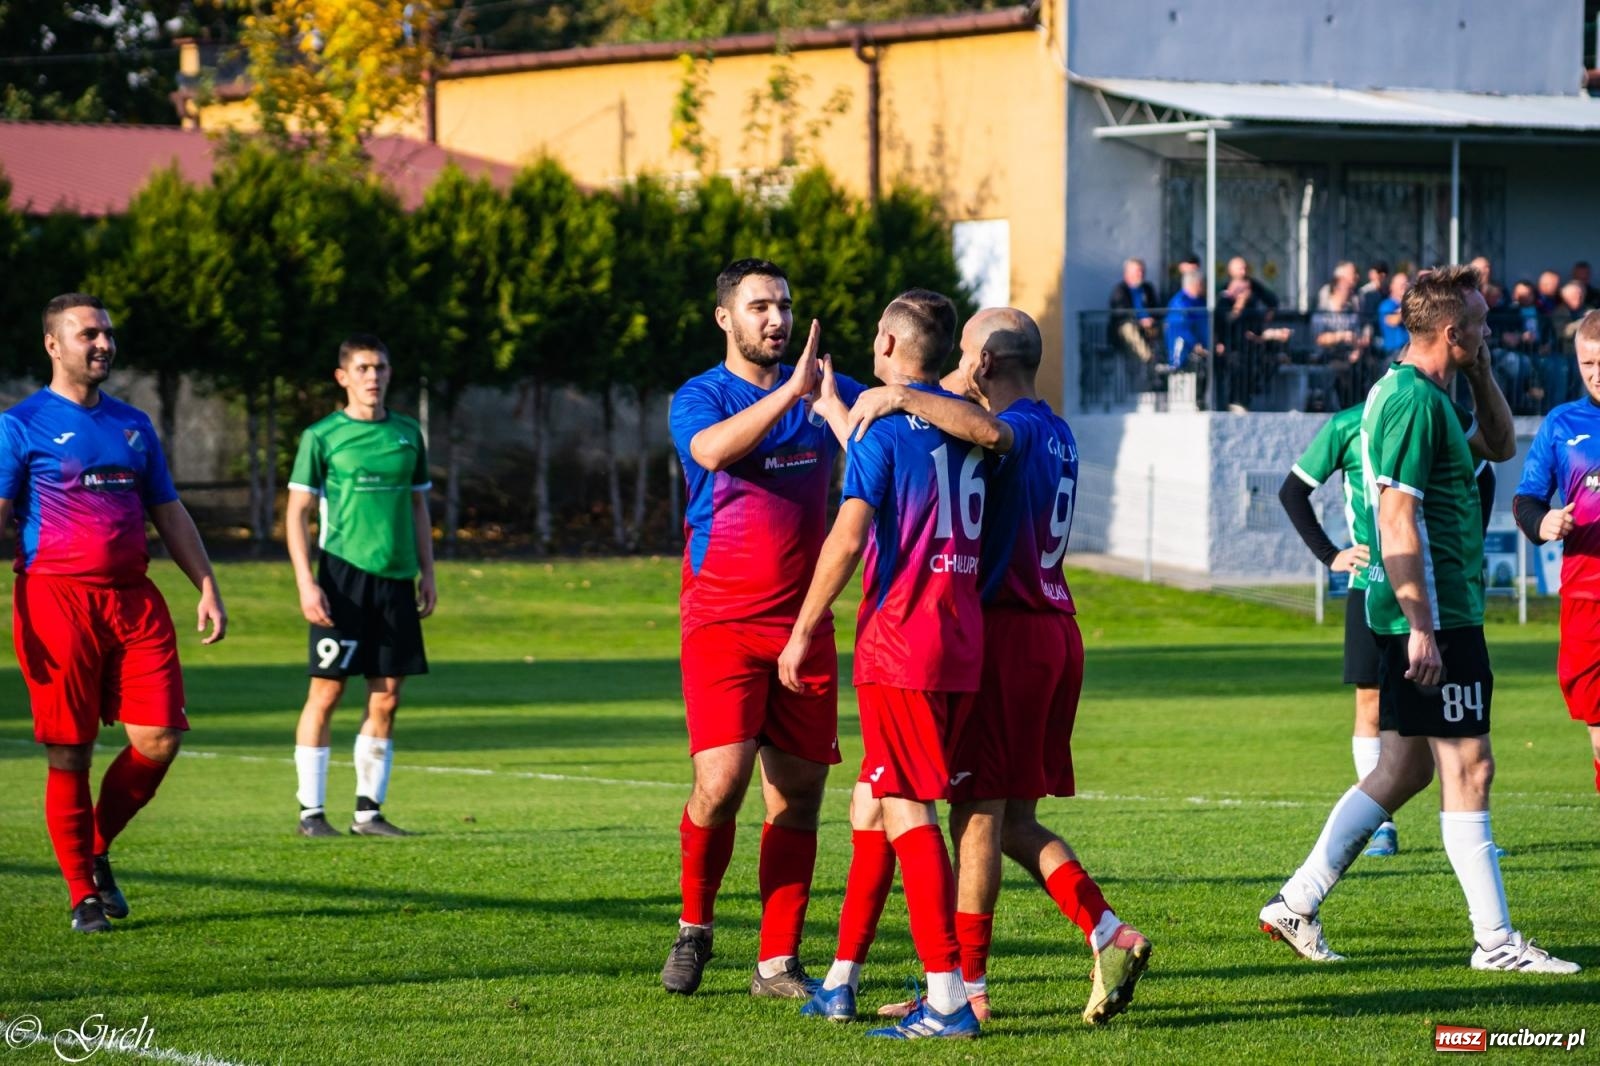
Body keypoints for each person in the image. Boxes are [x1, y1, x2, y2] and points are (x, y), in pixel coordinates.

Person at [826, 307, 1151, 1027]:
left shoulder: (1016, 430)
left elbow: (984, 433)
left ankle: (993, 978)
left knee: (976, 820)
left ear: (988, 363)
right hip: (1054, 631)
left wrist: (906, 395)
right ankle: (987, 974)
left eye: (966, 356)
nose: (955, 371)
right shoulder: (1058, 429)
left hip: (1007, 635)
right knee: (1006, 824)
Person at [1258, 265, 1580, 974]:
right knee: (1471, 766)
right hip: (1435, 615)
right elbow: (1396, 517)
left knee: (1403, 768)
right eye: (1481, 324)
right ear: (1450, 331)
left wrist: (1483, 369)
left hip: (1434, 610)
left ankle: (1295, 902)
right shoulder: (1407, 401)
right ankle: (1496, 943)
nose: (1491, 330)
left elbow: (1498, 444)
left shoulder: (1435, 394)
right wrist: (1421, 627)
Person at [778, 289, 985, 1039]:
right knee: (870, 802)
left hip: (901, 644)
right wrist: (840, 411)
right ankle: (840, 981)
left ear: (892, 348)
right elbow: (904, 461)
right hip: (960, 642)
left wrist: (804, 626)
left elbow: (847, 535)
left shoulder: (889, 429)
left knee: (905, 808)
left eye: (876, 336)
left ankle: (947, 997)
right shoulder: (963, 428)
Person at [662, 258, 862, 998]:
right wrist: (791, 394)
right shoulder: (701, 396)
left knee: (800, 791)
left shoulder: (820, 393)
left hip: (803, 624)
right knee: (720, 784)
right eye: (758, 307)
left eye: (782, 306)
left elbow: (883, 426)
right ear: (726, 318)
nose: (774, 319)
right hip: (719, 620)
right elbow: (713, 450)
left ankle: (776, 963)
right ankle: (695, 929)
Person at [2, 293, 227, 933]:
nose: (102, 344)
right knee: (69, 751)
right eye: (87, 334)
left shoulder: (134, 424)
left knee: (159, 738)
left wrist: (205, 583)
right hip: (56, 600)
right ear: (53, 344)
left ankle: (94, 848)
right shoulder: (19, 426)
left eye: (106, 333)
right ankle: (82, 894)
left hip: (134, 599)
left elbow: (169, 510)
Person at [1279, 393, 1496, 859]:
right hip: (1370, 585)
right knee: (1372, 705)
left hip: (1432, 588)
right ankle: (1382, 828)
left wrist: (1467, 547)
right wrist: (1330, 554)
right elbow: (1292, 490)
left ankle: (1469, 833)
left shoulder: (1439, 414)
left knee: (1454, 724)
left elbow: (1485, 474)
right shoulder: (1347, 425)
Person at [287, 335, 435, 839]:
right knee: (327, 692)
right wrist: (307, 583)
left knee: (388, 697)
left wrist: (428, 573)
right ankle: (311, 812)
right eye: (365, 368)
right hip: (341, 579)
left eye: (382, 368)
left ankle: (368, 813)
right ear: (343, 376)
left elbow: (418, 507)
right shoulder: (322, 436)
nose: (374, 377)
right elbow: (297, 513)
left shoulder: (408, 434)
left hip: (396, 581)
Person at [1512, 311, 1600, 794]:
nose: (1596, 373)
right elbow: (1526, 498)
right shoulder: (1562, 422)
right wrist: (1543, 522)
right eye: (1587, 363)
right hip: (1587, 594)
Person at [1109, 257, 1162, 372]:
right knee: (1128, 328)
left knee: (1168, 325)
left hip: (1149, 327)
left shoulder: (1147, 288)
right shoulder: (1120, 290)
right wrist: (1139, 321)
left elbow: (1156, 308)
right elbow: (1120, 313)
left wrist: (1152, 319)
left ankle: (1167, 359)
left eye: (1142, 271)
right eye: (1137, 271)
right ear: (1127, 273)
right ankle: (1149, 359)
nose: (1141, 274)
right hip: (1127, 329)